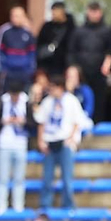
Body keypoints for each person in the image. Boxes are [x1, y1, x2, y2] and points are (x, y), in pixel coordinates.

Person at [36, 73, 87, 210]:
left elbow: (78, 122)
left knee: (67, 179)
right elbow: (41, 122)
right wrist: (41, 141)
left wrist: (71, 139)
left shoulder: (71, 101)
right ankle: (45, 206)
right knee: (47, 179)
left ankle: (68, 206)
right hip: (50, 143)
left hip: (65, 143)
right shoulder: (47, 102)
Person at [69, 0, 111, 121]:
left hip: (100, 72)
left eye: (96, 11)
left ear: (100, 13)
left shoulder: (106, 31)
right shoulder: (79, 31)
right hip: (82, 72)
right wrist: (73, 68)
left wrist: (107, 64)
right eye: (91, 11)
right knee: (82, 97)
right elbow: (72, 51)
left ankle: (97, 123)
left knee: (100, 99)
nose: (94, 14)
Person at [0, 82, 29, 213]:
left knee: (19, 177)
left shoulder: (26, 101)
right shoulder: (2, 101)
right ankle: (1, 204)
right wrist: (4, 121)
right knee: (2, 177)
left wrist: (23, 121)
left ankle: (18, 204)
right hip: (5, 144)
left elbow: (33, 122)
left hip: (20, 143)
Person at [0, 6, 37, 92]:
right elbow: (1, 52)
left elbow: (32, 53)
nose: (15, 18)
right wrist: (3, 68)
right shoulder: (5, 32)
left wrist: (30, 69)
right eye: (14, 15)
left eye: (18, 16)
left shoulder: (27, 33)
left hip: (24, 73)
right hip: (9, 72)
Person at [36, 2, 75, 76]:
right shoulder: (46, 27)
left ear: (62, 11)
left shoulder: (71, 27)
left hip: (63, 66)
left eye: (55, 11)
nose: (53, 13)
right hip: (47, 64)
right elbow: (39, 44)